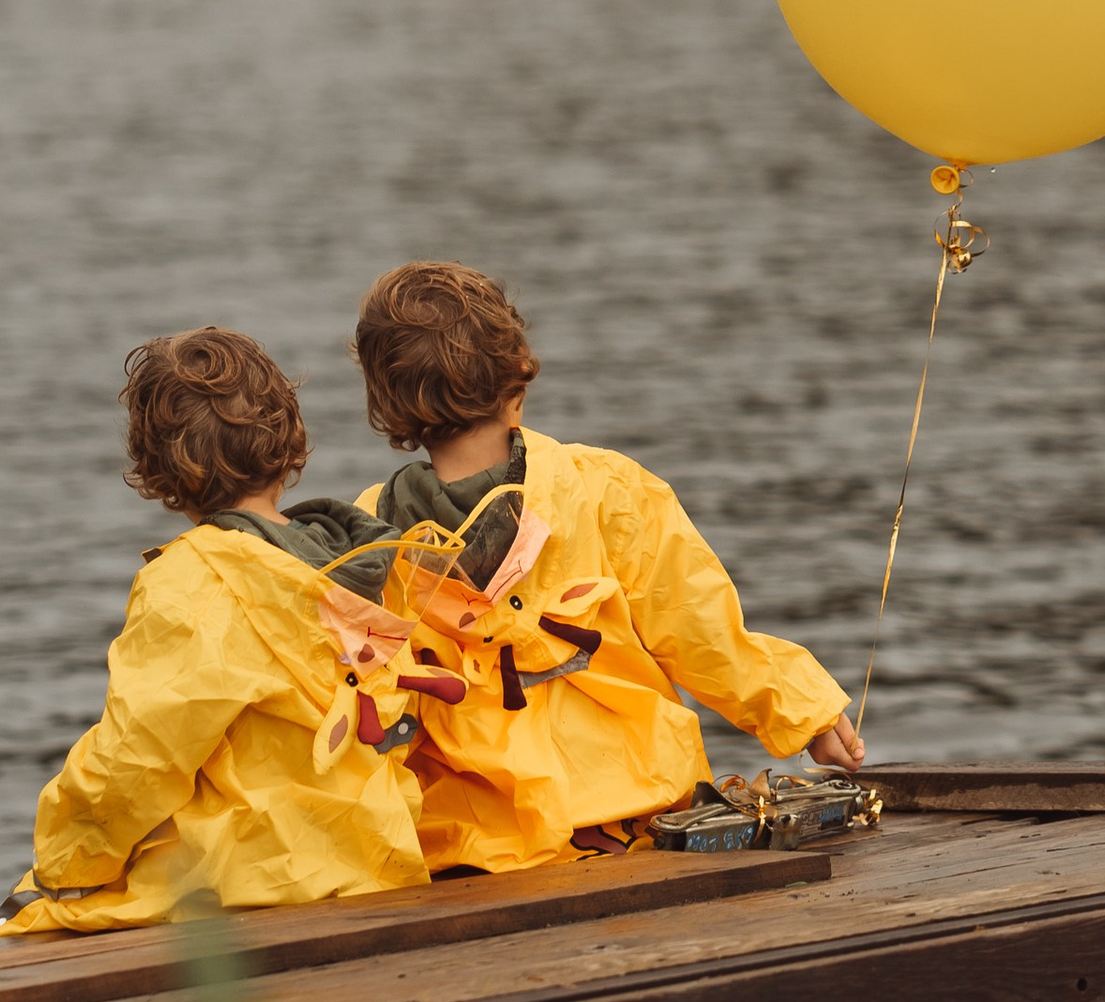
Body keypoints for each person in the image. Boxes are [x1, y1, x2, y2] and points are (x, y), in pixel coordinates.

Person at [347, 261, 865, 879]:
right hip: (629, 825)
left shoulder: (366, 539)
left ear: (386, 402)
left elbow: (364, 712)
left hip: (469, 852)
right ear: (517, 373)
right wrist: (802, 712)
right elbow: (699, 632)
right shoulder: (606, 488)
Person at [0, 328, 428, 932]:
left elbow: (141, 754)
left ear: (159, 471)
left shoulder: (193, 581)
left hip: (238, 892)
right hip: (373, 871)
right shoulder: (366, 567)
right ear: (289, 439)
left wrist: (64, 867)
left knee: (28, 927)